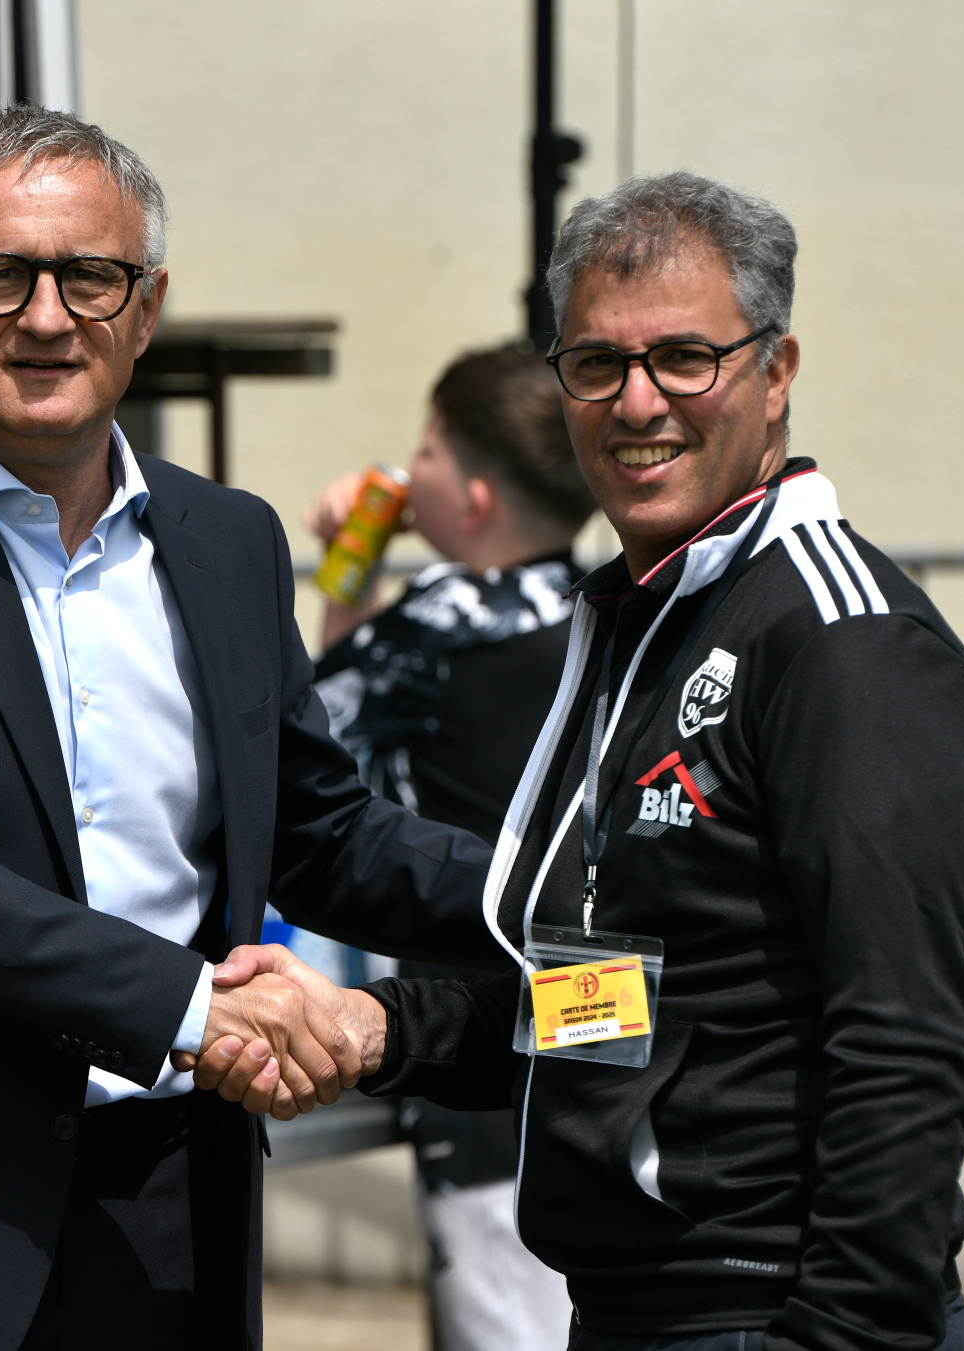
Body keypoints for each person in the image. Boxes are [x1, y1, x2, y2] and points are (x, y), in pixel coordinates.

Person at [0, 103, 503, 1351]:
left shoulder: (228, 539)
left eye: (89, 276)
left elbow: (320, 832)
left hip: (172, 1202)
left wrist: (552, 885)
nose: (45, 316)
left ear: (147, 306)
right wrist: (189, 1006)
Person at [308, 172, 964, 1349]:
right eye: (596, 364)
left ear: (775, 371)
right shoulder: (642, 617)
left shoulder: (839, 637)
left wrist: (843, 1333)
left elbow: (906, 1034)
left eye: (682, 358)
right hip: (628, 1309)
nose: (636, 400)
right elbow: (626, 1005)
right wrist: (383, 1028)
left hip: (768, 1312)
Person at [303, 345, 590, 1351]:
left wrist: (352, 551)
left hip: (476, 1035)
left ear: (472, 498)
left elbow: (321, 725)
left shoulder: (437, 624)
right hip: (599, 1019)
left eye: (423, 449)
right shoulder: (604, 609)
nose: (401, 465)